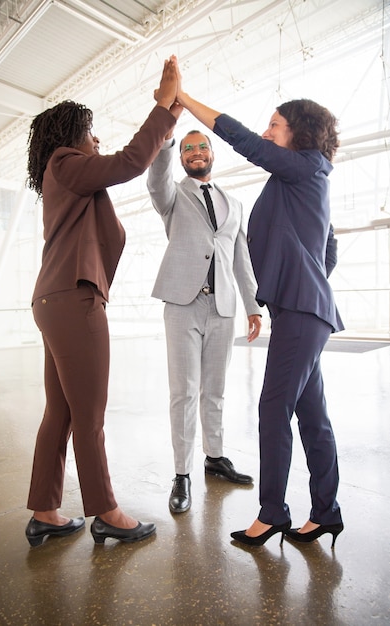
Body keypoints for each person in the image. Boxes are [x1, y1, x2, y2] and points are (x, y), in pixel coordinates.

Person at [172, 55, 344, 545]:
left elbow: (243, 141)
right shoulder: (305, 178)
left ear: (299, 132)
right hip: (303, 308)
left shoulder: (304, 166)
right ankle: (327, 510)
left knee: (273, 407)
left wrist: (184, 101)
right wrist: (307, 278)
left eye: (275, 124)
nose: (268, 132)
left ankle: (272, 512)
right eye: (268, 124)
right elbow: (327, 244)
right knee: (312, 415)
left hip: (302, 311)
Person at [24, 59, 178, 547]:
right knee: (88, 413)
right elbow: (130, 162)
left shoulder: (64, 176)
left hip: (55, 298)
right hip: (73, 298)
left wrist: (168, 108)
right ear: (71, 135)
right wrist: (163, 108)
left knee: (62, 411)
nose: (97, 139)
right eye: (90, 131)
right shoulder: (67, 164)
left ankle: (45, 512)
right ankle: (107, 512)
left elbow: (120, 165)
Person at [147, 100, 262, 514]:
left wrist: (253, 306)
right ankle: (182, 474)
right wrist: (166, 140)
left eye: (203, 148)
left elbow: (241, 258)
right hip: (182, 305)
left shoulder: (234, 204)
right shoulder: (173, 196)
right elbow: (157, 179)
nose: (196, 153)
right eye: (188, 150)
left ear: (212, 155)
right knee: (185, 393)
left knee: (215, 391)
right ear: (181, 157)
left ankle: (215, 457)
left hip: (224, 308)